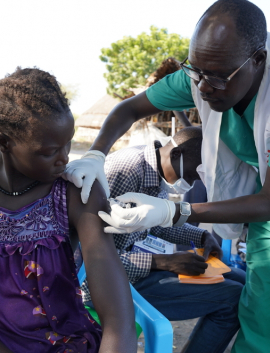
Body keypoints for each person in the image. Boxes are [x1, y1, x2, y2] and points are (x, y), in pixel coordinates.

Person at [63, 0, 270, 352]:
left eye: (217, 77)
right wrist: (97, 153)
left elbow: (268, 202)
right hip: (263, 212)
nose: (203, 88)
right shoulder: (128, 168)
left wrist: (175, 213)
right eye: (196, 72)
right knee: (255, 307)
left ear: (258, 61)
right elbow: (129, 108)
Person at [0, 68, 136, 353]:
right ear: (4, 143)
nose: (65, 158)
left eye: (69, 143)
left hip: (60, 343)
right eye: (49, 151)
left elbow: (117, 319)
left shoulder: (76, 193)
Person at [78, 127, 245, 352]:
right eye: (193, 175)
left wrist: (202, 236)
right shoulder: (126, 170)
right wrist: (164, 262)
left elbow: (155, 222)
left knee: (242, 280)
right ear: (176, 154)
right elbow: (92, 260)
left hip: (135, 266)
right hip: (107, 283)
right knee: (233, 298)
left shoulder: (156, 167)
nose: (194, 183)